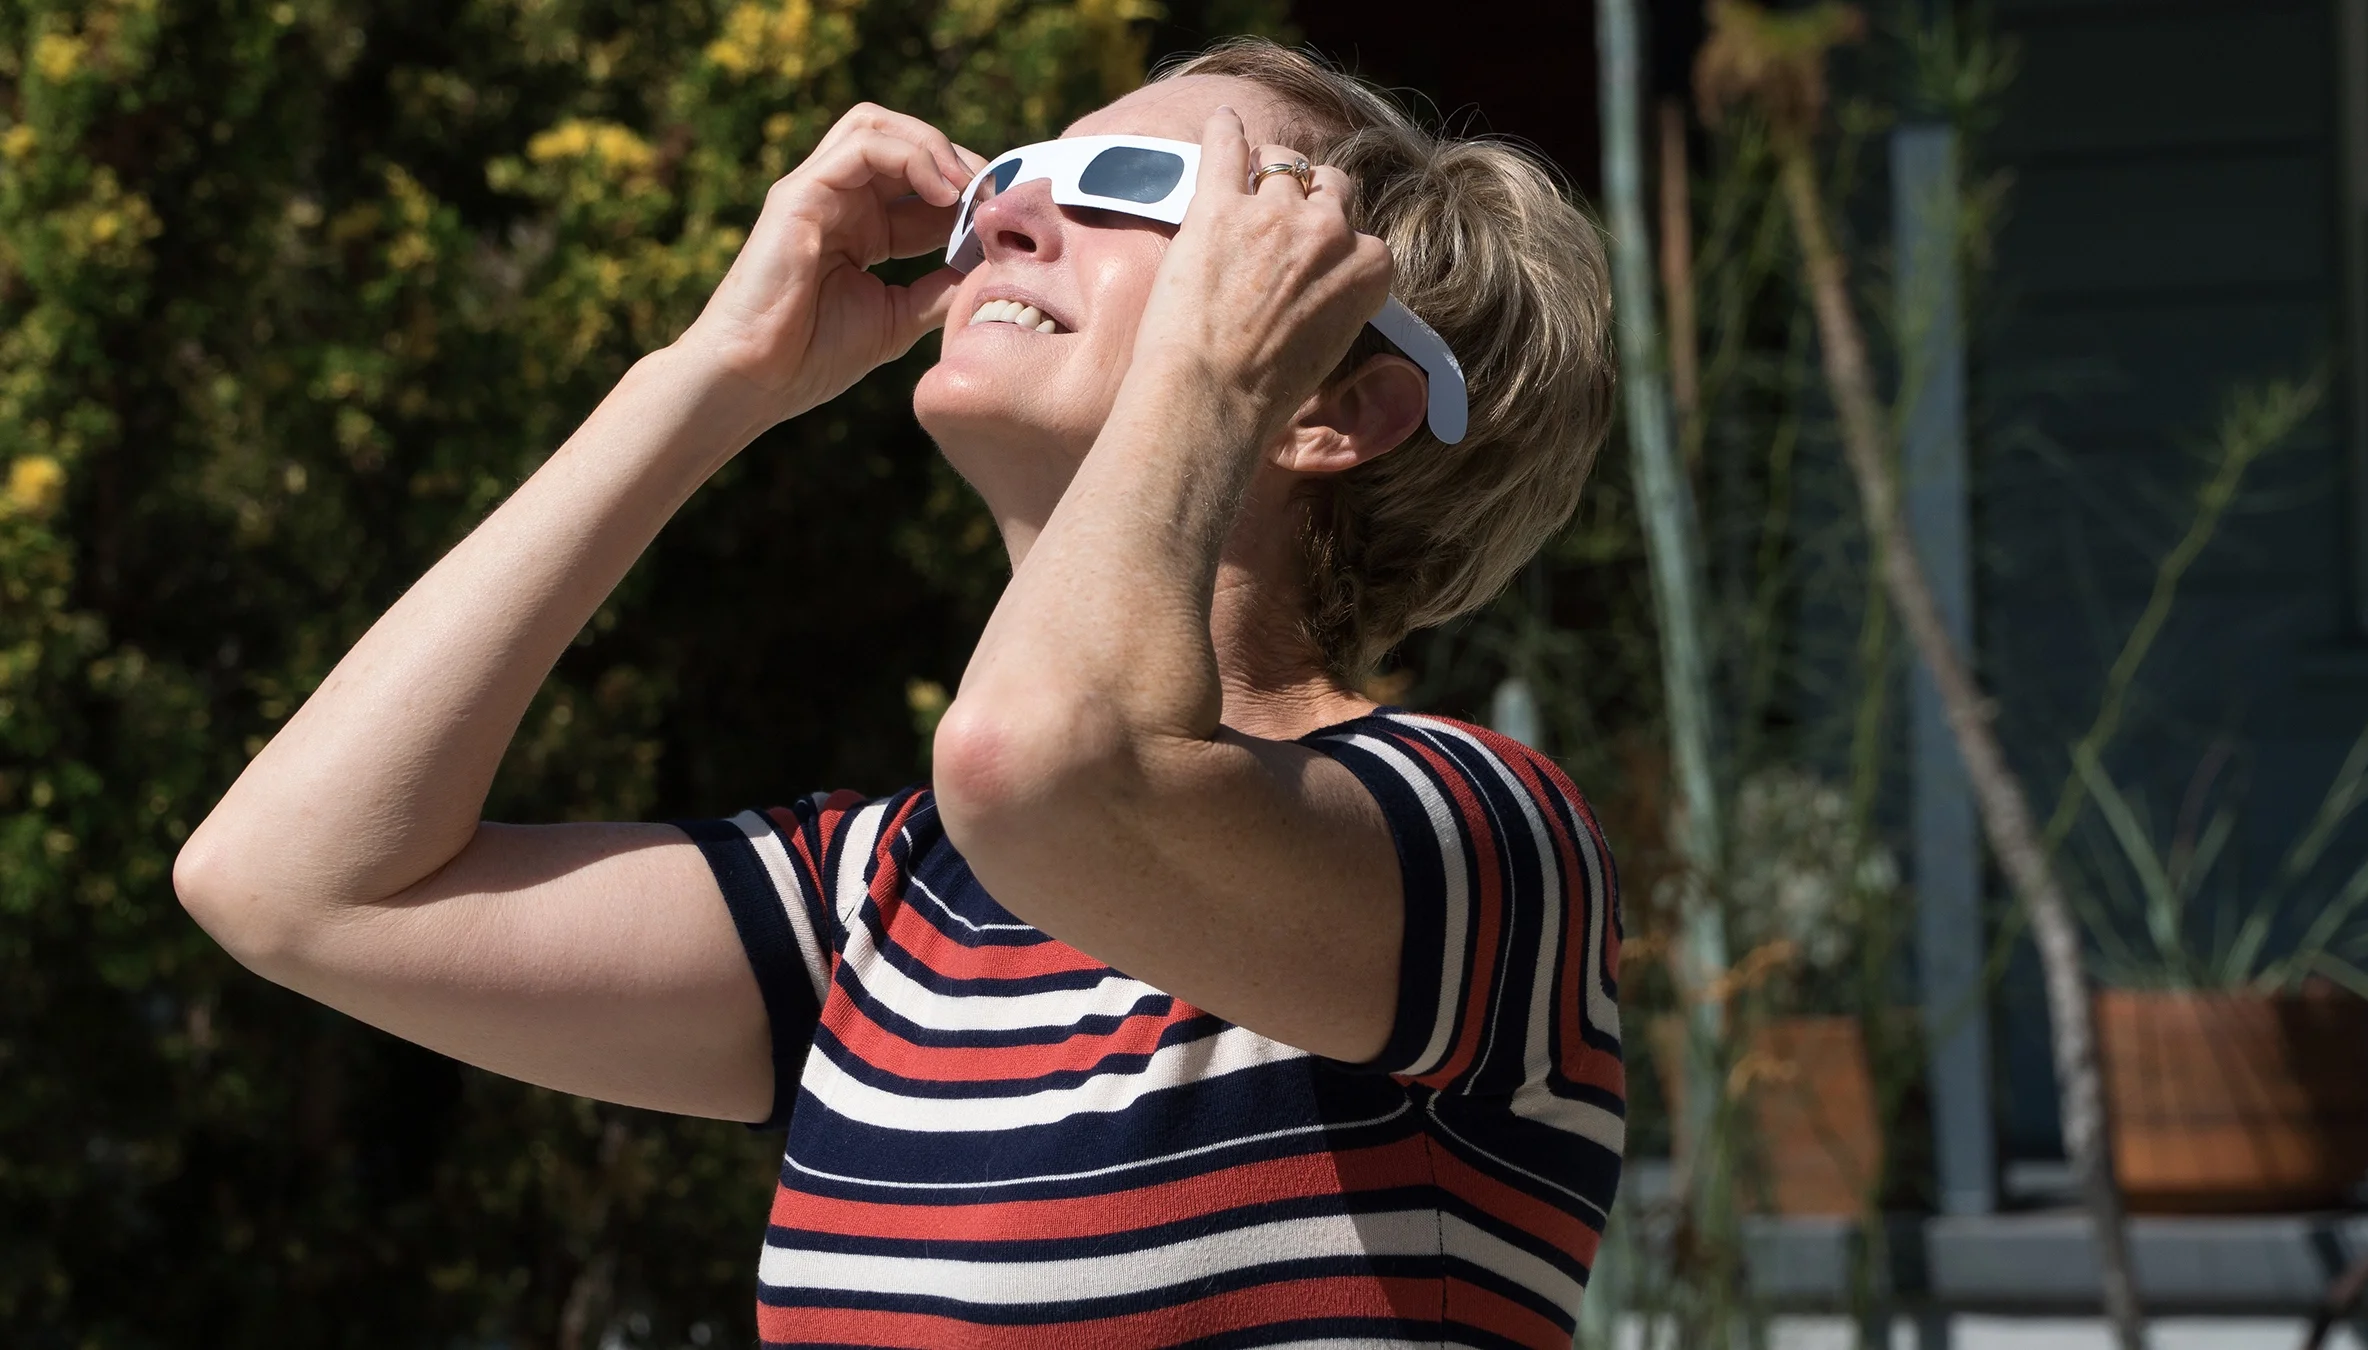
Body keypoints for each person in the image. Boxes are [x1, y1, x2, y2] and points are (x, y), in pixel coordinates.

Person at [176, 37, 1625, 1350]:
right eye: (1011, 175)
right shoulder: (892, 899)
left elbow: (1043, 766)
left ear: (1339, 403)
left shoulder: (1480, 842)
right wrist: (709, 379)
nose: (1003, 212)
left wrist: (1215, 379)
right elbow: (296, 882)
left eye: (1130, 186)